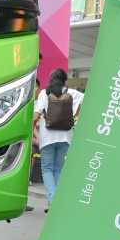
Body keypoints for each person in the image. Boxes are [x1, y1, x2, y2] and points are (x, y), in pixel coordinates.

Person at [32, 69, 81, 209]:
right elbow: (87, 102)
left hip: (47, 138)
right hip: (66, 136)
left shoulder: (44, 93)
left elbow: (36, 115)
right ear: (65, 80)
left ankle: (53, 201)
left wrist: (31, 130)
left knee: (47, 169)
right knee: (58, 169)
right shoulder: (72, 93)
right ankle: (56, 200)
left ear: (50, 79)